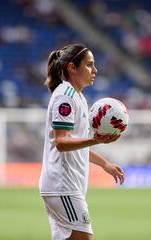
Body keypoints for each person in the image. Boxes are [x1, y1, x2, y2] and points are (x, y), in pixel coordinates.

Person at [39, 43, 125, 240]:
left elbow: (76, 145)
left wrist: (105, 164)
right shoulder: (65, 97)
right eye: (89, 65)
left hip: (67, 186)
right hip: (62, 186)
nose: (95, 70)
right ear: (72, 67)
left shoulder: (78, 98)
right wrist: (95, 139)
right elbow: (61, 142)